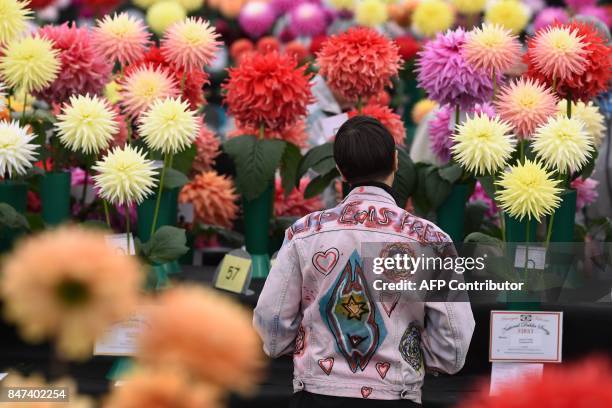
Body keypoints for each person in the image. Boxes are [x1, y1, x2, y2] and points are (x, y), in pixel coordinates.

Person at [254, 116, 475, 407]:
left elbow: (272, 321)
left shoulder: (303, 233)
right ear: (396, 162)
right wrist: (419, 358)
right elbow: (454, 342)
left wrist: (294, 348)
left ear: (340, 170)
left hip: (318, 392)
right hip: (396, 394)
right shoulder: (431, 240)